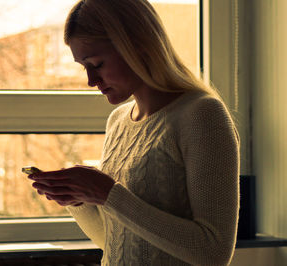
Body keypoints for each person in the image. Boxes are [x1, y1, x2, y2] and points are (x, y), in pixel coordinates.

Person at [28, 0, 240, 265]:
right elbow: (118, 242)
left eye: (98, 63)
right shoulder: (118, 121)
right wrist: (78, 200)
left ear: (136, 47)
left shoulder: (201, 115)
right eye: (84, 67)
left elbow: (213, 252)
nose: (91, 81)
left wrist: (108, 195)